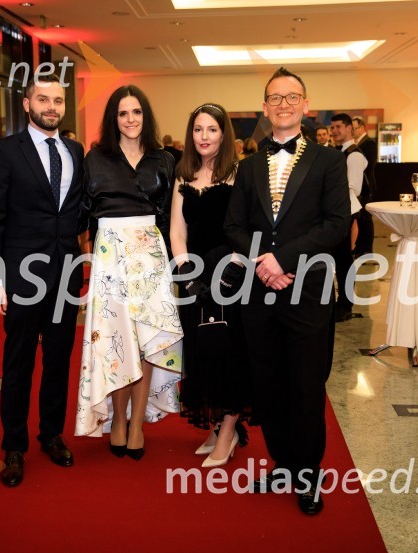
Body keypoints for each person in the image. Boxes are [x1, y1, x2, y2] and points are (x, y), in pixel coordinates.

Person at [224, 67, 350, 514]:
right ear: (264, 107)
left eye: (291, 97)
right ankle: (282, 463)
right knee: (269, 384)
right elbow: (233, 226)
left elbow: (337, 224)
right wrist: (265, 263)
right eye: (274, 98)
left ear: (305, 105)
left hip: (308, 291)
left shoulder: (329, 162)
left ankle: (309, 474)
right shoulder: (248, 166)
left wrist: (286, 260)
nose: (283, 104)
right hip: (259, 293)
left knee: (305, 385)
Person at [0, 74, 85, 487]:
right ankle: (14, 446)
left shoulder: (76, 150)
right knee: (19, 361)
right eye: (43, 99)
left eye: (58, 101)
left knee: (59, 359)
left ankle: (51, 434)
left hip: (65, 275)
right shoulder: (6, 151)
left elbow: (79, 213)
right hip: (21, 275)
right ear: (27, 104)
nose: (52, 107)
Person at [75, 85, 183, 461]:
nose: (131, 119)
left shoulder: (164, 159)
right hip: (110, 258)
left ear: (146, 116)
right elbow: (81, 214)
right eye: (123, 113)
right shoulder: (95, 159)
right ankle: (116, 419)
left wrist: (175, 265)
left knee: (147, 343)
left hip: (151, 258)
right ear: (113, 119)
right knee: (116, 343)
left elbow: (171, 218)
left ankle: (136, 423)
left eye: (136, 112)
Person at [170, 103, 251, 468]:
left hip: (230, 274)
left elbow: (249, 229)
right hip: (193, 277)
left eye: (212, 130)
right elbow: (176, 231)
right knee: (202, 351)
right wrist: (187, 275)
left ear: (224, 134)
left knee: (229, 353)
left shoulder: (240, 173)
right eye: (198, 129)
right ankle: (218, 426)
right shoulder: (183, 173)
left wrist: (232, 269)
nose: (204, 137)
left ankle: (230, 429)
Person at [330, 113, 365, 322]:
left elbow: (354, 187)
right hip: (338, 211)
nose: (334, 131)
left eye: (338, 127)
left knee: (344, 260)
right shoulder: (339, 152)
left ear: (350, 128)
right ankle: (341, 302)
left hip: (346, 211)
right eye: (332, 127)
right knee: (339, 259)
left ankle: (345, 304)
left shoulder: (354, 155)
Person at [351, 117, 376, 256]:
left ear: (362, 128)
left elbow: (368, 166)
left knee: (366, 218)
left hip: (366, 186)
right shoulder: (357, 143)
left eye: (354, 128)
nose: (352, 131)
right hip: (359, 186)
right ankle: (360, 247)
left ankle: (367, 249)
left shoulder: (369, 143)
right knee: (359, 218)